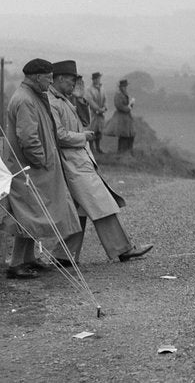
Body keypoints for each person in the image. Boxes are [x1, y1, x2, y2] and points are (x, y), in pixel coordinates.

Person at [47, 60, 153, 265]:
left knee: (81, 209)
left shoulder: (64, 100)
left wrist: (81, 100)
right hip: (71, 163)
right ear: (59, 79)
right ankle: (123, 249)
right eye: (71, 80)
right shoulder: (52, 103)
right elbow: (59, 135)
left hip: (78, 162)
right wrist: (83, 137)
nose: (74, 85)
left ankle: (63, 255)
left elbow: (83, 122)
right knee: (100, 203)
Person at [2, 58, 82, 279]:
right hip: (30, 168)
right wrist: (41, 161)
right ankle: (16, 263)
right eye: (48, 78)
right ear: (37, 77)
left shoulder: (32, 96)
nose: (50, 82)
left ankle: (28, 259)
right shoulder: (26, 100)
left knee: (34, 214)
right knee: (28, 215)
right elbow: (28, 138)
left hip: (34, 167)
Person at [105, 78, 135, 154]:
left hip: (127, 117)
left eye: (126, 86)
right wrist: (128, 108)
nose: (125, 88)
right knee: (123, 135)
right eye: (124, 86)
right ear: (121, 87)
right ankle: (121, 152)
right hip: (121, 118)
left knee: (130, 135)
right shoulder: (118, 95)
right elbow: (119, 106)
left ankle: (128, 151)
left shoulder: (125, 94)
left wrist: (131, 105)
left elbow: (126, 105)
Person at [85, 71, 108, 154]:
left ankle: (98, 147)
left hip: (101, 114)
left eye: (99, 78)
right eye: (97, 78)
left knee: (99, 130)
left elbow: (105, 99)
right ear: (93, 79)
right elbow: (90, 101)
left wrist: (104, 108)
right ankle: (91, 147)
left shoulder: (102, 88)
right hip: (93, 113)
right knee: (92, 130)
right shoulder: (89, 89)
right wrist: (98, 109)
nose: (98, 80)